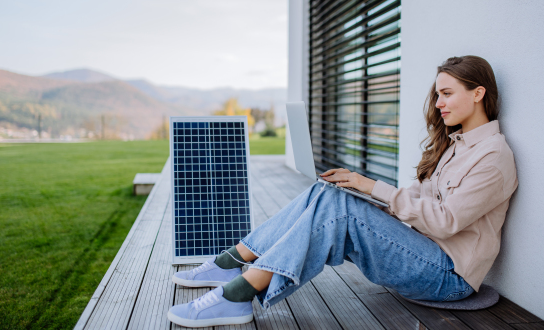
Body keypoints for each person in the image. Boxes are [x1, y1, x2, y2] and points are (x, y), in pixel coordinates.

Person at [167, 55, 518, 328]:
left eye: (446, 93)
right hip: (420, 252)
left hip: (446, 276)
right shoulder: (453, 146)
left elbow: (445, 222)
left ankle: (239, 292)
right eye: (437, 94)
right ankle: (234, 263)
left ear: (478, 93)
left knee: (340, 206)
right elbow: (419, 202)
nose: (438, 103)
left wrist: (372, 188)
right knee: (330, 194)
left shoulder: (493, 156)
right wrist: (367, 196)